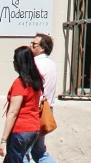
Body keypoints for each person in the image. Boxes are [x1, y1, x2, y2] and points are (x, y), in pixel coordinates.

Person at [0, 47, 42, 163]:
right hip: (33, 128)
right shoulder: (35, 81)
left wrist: (3, 140)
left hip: (20, 129)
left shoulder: (20, 83)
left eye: (15, 60)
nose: (13, 63)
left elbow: (13, 112)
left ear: (19, 62)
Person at [26, 34, 57, 163]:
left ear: (42, 48)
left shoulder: (35, 64)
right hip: (46, 110)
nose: (30, 46)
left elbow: (29, 89)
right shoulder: (52, 64)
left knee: (24, 150)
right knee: (39, 151)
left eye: (34, 44)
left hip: (35, 111)